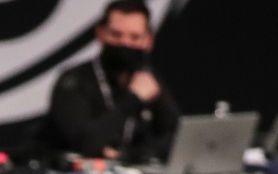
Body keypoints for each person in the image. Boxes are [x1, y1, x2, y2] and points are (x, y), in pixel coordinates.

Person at [45, 0, 179, 163]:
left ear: (148, 41)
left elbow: (177, 136)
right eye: (116, 35)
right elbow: (87, 144)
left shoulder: (147, 80)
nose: (125, 43)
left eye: (135, 37)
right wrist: (132, 97)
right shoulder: (74, 81)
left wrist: (129, 155)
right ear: (100, 33)